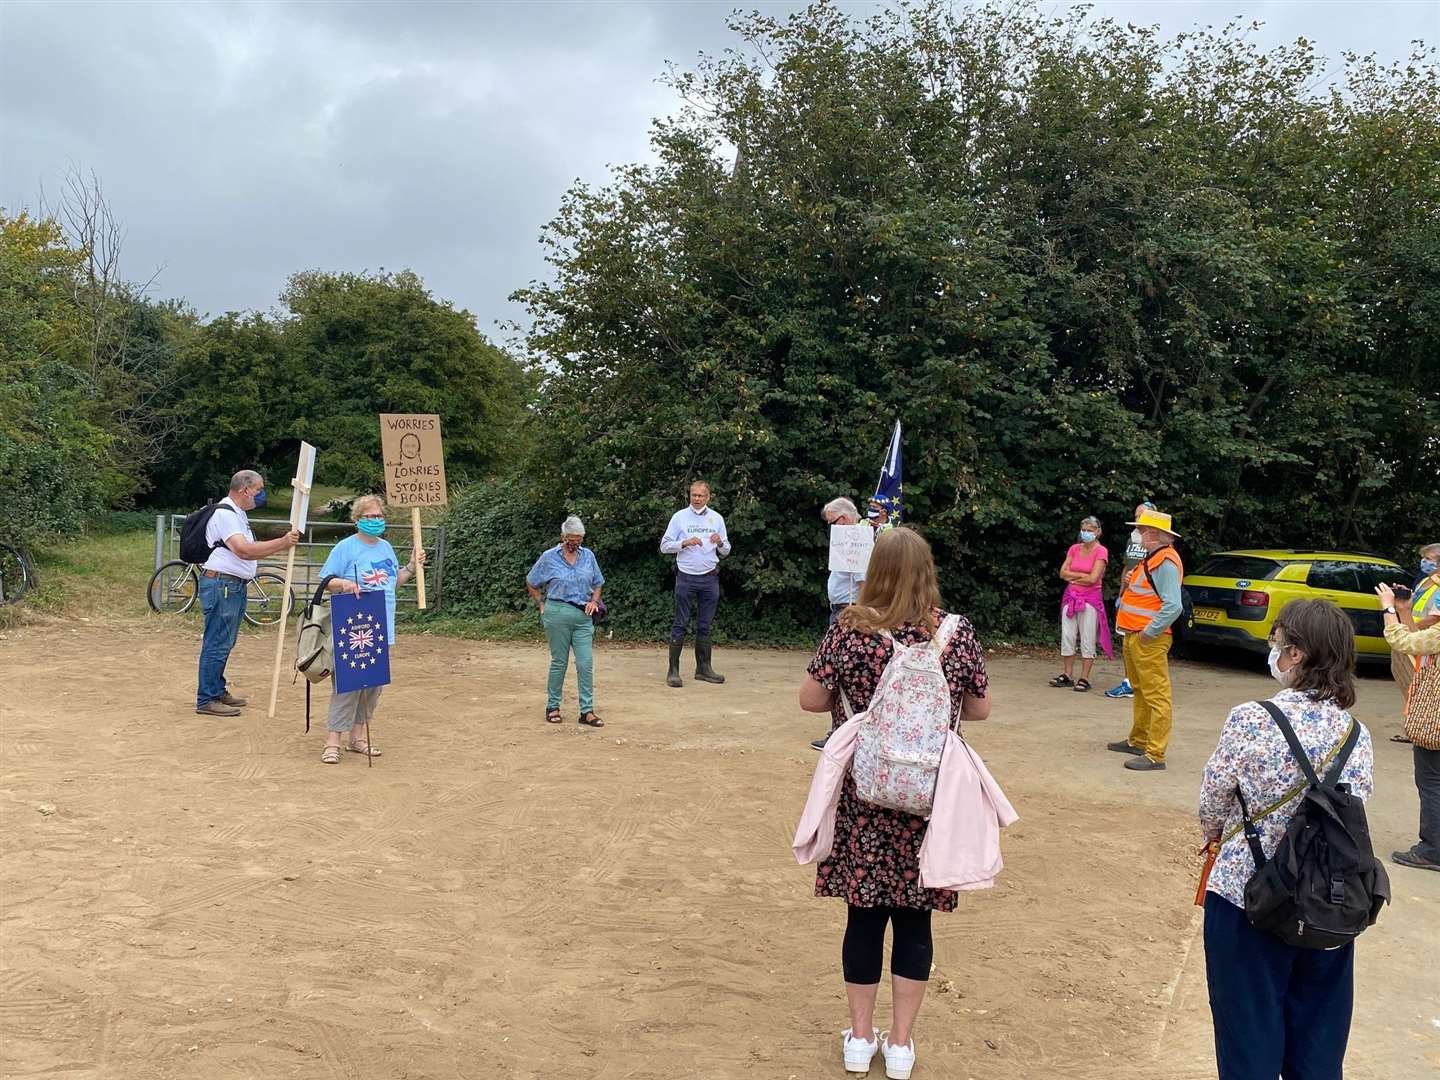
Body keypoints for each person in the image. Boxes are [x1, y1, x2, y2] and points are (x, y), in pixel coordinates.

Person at [798, 527, 991, 1079]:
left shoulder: (851, 630)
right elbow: (979, 710)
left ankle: (859, 1041)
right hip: (929, 802)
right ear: (927, 570)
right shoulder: (956, 633)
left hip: (865, 797)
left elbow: (812, 698)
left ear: (874, 570)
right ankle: (901, 1046)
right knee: (915, 922)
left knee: (863, 918)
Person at [1198, 599, 1374, 1079]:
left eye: (1276, 640)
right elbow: (1355, 807)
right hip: (1329, 903)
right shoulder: (1356, 734)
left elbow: (1213, 798)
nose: (1271, 649)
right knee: (1318, 1045)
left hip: (1248, 895)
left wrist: (1217, 830)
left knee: (1247, 1036)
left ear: (1295, 654)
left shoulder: (1250, 718)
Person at [318, 494, 425, 763]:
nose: (376, 520)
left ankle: (358, 737)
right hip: (354, 624)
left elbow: (392, 582)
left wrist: (412, 567)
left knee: (373, 683)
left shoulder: (386, 548)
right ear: (357, 520)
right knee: (348, 683)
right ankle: (333, 740)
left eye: (379, 516)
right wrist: (345, 585)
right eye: (370, 516)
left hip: (382, 623)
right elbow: (327, 580)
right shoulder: (345, 548)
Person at [194, 469, 300, 717]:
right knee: (218, 642)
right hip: (223, 586)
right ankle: (207, 698)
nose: (261, 495)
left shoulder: (236, 513)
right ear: (245, 490)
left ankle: (216, 690)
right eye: (259, 490)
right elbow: (244, 550)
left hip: (231, 586)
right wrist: (283, 543)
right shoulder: (226, 514)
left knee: (224, 641)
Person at [1106, 507, 1183, 771]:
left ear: (1154, 534)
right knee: (1141, 690)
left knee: (1157, 694)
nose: (1136, 533)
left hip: (1147, 638)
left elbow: (1174, 606)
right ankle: (1138, 740)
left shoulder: (1165, 561)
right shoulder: (1153, 558)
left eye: (1140, 529)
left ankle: (1155, 754)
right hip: (1136, 635)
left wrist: (1149, 634)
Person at [1376, 582, 1440, 872]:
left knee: (1431, 782)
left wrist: (1389, 609)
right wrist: (1404, 610)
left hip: (1434, 723)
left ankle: (1432, 850)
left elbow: (1403, 643)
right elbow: (1422, 643)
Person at [526, 516, 606, 727]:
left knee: (585, 663)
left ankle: (587, 711)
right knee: (559, 662)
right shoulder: (549, 557)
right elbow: (531, 581)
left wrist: (594, 601)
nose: (576, 543)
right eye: (572, 538)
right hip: (557, 613)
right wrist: (541, 603)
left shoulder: (588, 556)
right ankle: (553, 706)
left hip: (583, 616)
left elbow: (598, 582)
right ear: (563, 537)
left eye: (579, 539)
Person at [660, 480, 730, 687]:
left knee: (705, 626)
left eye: (701, 495)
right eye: (693, 495)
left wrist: (720, 542)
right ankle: (673, 671)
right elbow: (664, 546)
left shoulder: (716, 518)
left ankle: (704, 669)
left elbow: (726, 551)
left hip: (709, 578)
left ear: (708, 497)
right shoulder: (679, 517)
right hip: (686, 578)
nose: (697, 499)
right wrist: (684, 542)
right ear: (689, 496)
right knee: (680, 624)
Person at [811, 496, 866, 752]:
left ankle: (842, 734)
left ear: (844, 519)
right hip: (840, 611)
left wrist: (859, 614)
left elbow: (864, 585)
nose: (831, 528)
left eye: (833, 522)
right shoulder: (845, 543)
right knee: (836, 672)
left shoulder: (859, 542)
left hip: (849, 613)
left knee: (840, 673)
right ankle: (838, 731)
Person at [1049, 515, 1112, 692]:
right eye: (1083, 530)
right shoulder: (1074, 549)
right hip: (1071, 597)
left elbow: (1094, 578)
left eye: (1090, 531)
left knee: (1087, 637)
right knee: (1067, 635)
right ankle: (1067, 675)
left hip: (1090, 600)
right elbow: (1062, 573)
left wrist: (1074, 577)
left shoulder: (1101, 551)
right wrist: (1081, 577)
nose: (1085, 533)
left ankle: (1084, 678)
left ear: (1098, 532)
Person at [1104, 500, 1154, 699]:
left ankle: (1142, 683)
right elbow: (1127, 566)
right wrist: (1121, 593)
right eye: (1136, 515)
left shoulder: (1156, 542)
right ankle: (1129, 681)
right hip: (1129, 599)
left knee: (1145, 644)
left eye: (1142, 515)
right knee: (1127, 642)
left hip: (1147, 603)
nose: (1138, 519)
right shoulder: (1132, 539)